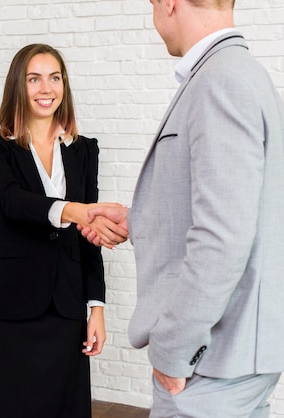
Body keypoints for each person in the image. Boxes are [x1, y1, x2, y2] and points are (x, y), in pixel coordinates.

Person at [81, 1, 284, 416]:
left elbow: (222, 236)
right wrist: (138, 218)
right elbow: (240, 207)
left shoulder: (220, 81)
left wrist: (174, 351)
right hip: (234, 354)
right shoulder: (240, 73)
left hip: (212, 360)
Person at [0, 43, 127, 418]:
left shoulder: (84, 149)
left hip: (66, 303)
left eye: (54, 78)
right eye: (34, 79)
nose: (46, 89)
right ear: (18, 86)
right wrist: (77, 211)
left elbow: (89, 241)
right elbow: (10, 202)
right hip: (11, 301)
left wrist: (97, 307)